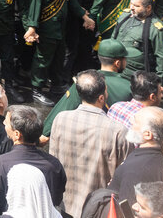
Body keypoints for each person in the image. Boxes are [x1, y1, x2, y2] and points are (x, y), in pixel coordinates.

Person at [47, 70, 131, 218]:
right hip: (100, 207)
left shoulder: (60, 119)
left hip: (66, 204)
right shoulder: (117, 131)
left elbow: (54, 162)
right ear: (101, 98)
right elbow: (126, 175)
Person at [24, 0, 97, 104]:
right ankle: (37, 89)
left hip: (60, 28)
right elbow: (34, 7)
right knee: (42, 60)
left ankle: (57, 86)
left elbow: (72, 3)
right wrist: (32, 28)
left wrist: (84, 17)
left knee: (58, 58)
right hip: (46, 28)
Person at [0, 105, 66, 218]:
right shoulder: (54, 164)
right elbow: (56, 198)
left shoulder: (0, 164)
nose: (4, 124)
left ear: (17, 134)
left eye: (6, 122)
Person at [110, 106, 163, 202]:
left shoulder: (136, 170)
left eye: (136, 121)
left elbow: (128, 210)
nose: (131, 122)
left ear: (147, 135)